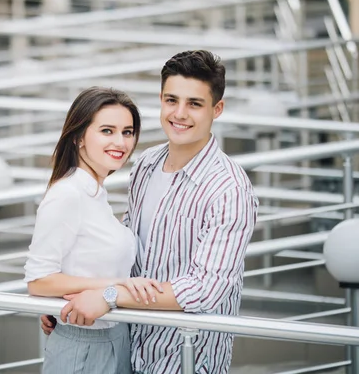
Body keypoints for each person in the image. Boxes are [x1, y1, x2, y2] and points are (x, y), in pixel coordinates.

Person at [42, 50, 259, 374]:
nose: (180, 114)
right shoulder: (146, 164)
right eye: (171, 100)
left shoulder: (229, 189)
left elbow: (205, 289)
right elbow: (129, 253)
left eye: (194, 104)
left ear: (217, 109)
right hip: (129, 348)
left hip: (186, 359)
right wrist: (73, 297)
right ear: (160, 99)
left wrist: (110, 295)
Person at [24, 86, 164, 374]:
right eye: (107, 131)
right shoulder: (68, 194)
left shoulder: (95, 194)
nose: (121, 142)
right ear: (78, 137)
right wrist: (114, 286)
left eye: (127, 132)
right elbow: (38, 281)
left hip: (116, 337)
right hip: (83, 346)